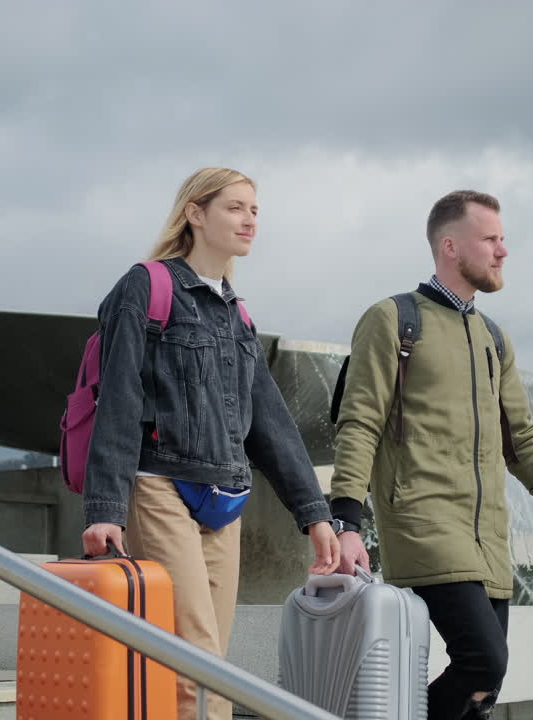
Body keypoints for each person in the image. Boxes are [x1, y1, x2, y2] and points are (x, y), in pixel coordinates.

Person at [330, 190, 533, 720]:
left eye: (503, 239)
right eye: (490, 239)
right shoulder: (393, 320)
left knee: (483, 692)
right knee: (483, 661)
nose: (503, 251)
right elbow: (359, 422)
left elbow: (522, 441)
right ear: (451, 246)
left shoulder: (494, 339)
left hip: (488, 538)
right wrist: (345, 520)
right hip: (423, 522)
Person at [80, 168, 340, 720]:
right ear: (195, 214)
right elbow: (118, 400)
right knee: (196, 658)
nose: (250, 220)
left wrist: (315, 515)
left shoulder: (236, 312)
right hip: (160, 485)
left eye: (255, 210)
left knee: (209, 662)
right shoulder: (146, 287)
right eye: (235, 208)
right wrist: (105, 509)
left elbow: (270, 422)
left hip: (225, 497)